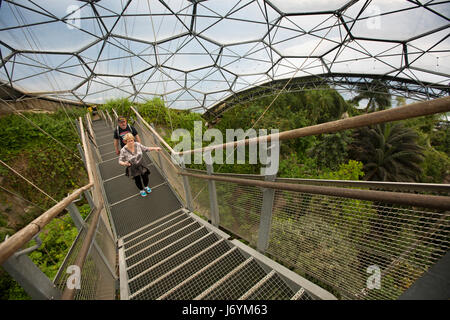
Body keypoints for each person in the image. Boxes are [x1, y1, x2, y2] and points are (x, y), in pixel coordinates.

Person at [118, 133, 161, 197]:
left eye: (132, 140)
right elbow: (120, 161)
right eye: (128, 141)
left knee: (145, 177)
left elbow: (146, 149)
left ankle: (146, 186)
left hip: (142, 165)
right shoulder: (123, 150)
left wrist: (155, 148)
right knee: (137, 179)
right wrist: (125, 163)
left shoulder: (137, 145)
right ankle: (141, 190)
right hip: (133, 167)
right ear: (125, 142)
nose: (131, 142)